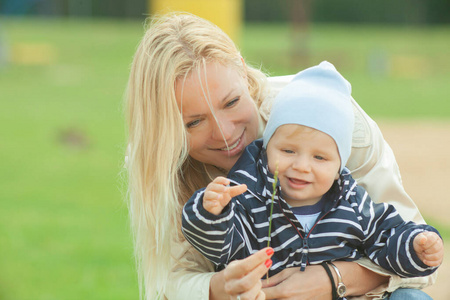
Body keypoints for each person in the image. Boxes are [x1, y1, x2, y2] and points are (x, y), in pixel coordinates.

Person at [124, 12, 438, 300]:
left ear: (244, 74)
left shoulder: (327, 119)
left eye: (231, 102)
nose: (223, 133)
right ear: (165, 131)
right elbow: (170, 281)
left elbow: (417, 255)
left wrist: (332, 279)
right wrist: (218, 287)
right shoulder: (164, 162)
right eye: (194, 122)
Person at [181, 62, 444, 293]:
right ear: (266, 147)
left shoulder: (353, 204)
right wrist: (209, 213)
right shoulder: (249, 198)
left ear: (340, 164)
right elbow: (223, 248)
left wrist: (416, 246)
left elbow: (387, 241)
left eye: (320, 158)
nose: (302, 166)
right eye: (288, 150)